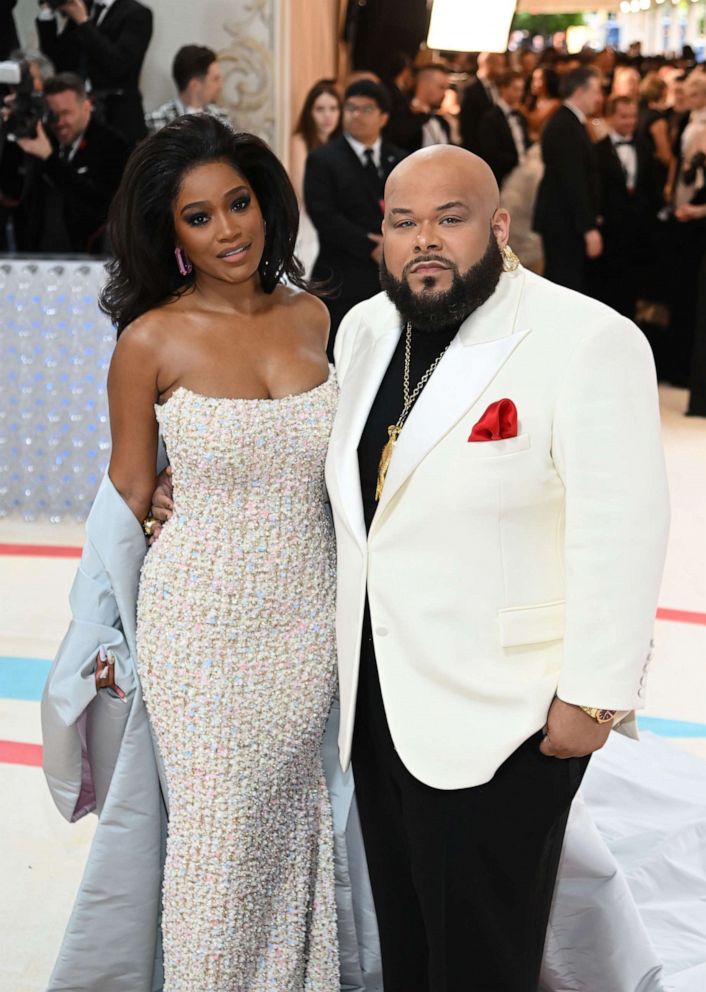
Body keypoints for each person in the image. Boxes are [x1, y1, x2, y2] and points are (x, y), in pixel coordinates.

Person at [324, 143, 669, 992]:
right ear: (383, 236)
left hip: (509, 712)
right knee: (406, 937)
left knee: (482, 956)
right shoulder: (366, 330)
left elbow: (623, 527)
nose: (426, 240)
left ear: (499, 225)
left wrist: (594, 695)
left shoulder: (584, 338)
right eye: (404, 223)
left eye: (451, 218)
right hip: (381, 697)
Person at [42, 114, 340, 990]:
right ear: (167, 235)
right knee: (217, 841)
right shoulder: (149, 343)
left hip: (306, 621)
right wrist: (96, 637)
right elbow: (127, 499)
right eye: (199, 217)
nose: (229, 230)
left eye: (238, 203)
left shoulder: (318, 316)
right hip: (200, 629)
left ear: (264, 201)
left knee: (291, 825)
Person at [304, 79, 405, 357]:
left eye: (366, 109)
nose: (356, 115)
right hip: (342, 277)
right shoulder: (323, 159)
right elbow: (323, 215)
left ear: (383, 117)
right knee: (342, 356)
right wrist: (370, 245)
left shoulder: (400, 160)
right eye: (351, 108)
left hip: (390, 277)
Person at [11, 72, 129, 253]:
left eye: (66, 113)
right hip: (38, 256)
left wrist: (50, 160)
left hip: (90, 258)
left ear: (87, 106)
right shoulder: (41, 138)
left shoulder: (113, 145)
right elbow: (15, 197)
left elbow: (103, 207)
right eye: (53, 115)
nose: (60, 122)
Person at [36, 0, 153, 146]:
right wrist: (47, 10)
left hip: (117, 117)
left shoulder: (136, 13)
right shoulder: (85, 8)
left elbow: (118, 64)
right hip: (79, 118)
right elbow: (59, 61)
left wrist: (83, 22)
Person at [534, 66, 603, 292]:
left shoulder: (570, 121)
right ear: (580, 91)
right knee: (564, 284)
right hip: (563, 221)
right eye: (596, 91)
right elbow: (573, 181)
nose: (599, 98)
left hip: (564, 219)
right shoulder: (565, 125)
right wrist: (588, 228)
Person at [591, 95, 652, 318]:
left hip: (637, 233)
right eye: (624, 116)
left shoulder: (645, 148)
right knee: (607, 291)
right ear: (610, 117)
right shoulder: (597, 151)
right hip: (609, 233)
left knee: (632, 291)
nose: (630, 122)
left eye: (633, 116)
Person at [289, 79, 341, 277]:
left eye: (333, 108)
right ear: (309, 112)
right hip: (309, 218)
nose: (328, 116)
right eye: (320, 109)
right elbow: (304, 192)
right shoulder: (301, 140)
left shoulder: (344, 143)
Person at [145, 44, 230, 134]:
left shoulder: (221, 117)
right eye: (215, 79)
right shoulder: (157, 122)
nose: (220, 86)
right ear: (195, 85)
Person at [477, 69, 529, 189]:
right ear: (502, 89)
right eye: (515, 89)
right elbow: (490, 154)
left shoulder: (520, 116)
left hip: (522, 176)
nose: (520, 94)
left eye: (521, 89)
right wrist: (517, 161)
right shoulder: (490, 118)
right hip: (501, 178)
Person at [384, 64, 452, 153]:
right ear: (424, 85)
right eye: (441, 87)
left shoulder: (441, 121)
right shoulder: (400, 114)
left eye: (446, 88)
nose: (445, 93)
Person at [459, 51, 506, 154]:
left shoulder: (496, 86)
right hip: (477, 149)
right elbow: (467, 126)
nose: (503, 69)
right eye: (500, 64)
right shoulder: (470, 89)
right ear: (488, 64)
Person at [524, 64, 561, 142]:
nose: (533, 84)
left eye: (538, 80)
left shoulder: (555, 103)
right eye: (533, 80)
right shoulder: (530, 102)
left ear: (548, 81)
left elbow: (535, 122)